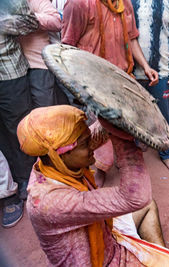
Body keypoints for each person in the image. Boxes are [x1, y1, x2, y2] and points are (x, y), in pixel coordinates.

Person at [18, 105, 169, 266]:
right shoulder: (47, 202)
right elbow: (135, 197)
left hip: (106, 237)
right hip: (101, 261)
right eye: (85, 144)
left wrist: (117, 115)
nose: (92, 147)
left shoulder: (53, 160)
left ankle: (161, 254)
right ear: (61, 154)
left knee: (149, 207)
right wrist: (123, 138)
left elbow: (96, 134)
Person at [61, 0, 159, 174]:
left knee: (123, 130)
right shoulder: (78, 4)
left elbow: (132, 38)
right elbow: (67, 49)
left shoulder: (125, 3)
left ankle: (121, 165)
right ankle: (99, 171)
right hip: (92, 84)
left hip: (121, 79)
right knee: (98, 133)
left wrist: (145, 66)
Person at [131, 0, 169, 172]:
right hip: (132, 68)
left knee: (163, 114)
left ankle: (165, 152)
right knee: (133, 112)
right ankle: (135, 147)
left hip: (163, 68)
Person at [0, 0, 38, 228]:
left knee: (19, 130)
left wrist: (3, 22)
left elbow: (30, 23)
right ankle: (9, 193)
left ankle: (29, 182)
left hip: (9, 73)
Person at [19, 0, 69, 109]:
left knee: (45, 110)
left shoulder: (35, 1)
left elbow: (57, 22)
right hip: (13, 71)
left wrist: (28, 17)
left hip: (37, 66)